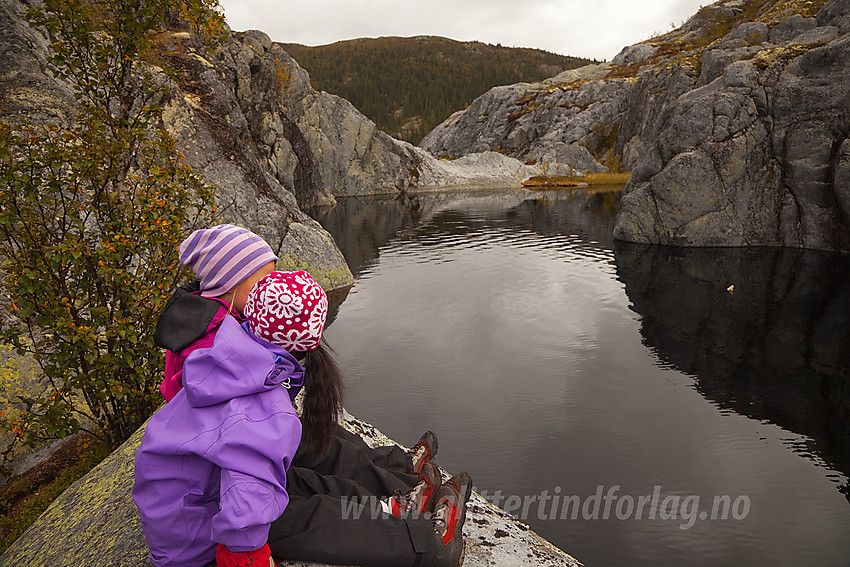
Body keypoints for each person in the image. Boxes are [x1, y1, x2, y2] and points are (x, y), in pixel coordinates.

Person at [132, 224, 472, 567]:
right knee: (305, 517)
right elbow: (246, 490)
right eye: (261, 279)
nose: (268, 285)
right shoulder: (242, 384)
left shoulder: (231, 344)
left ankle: (395, 501)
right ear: (230, 286)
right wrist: (248, 558)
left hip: (204, 490)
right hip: (195, 531)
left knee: (299, 481)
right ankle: (425, 544)